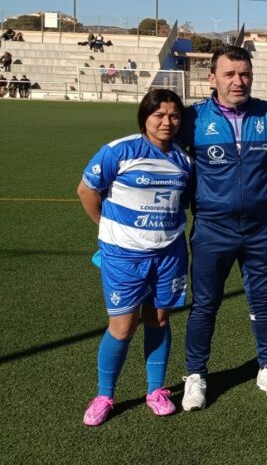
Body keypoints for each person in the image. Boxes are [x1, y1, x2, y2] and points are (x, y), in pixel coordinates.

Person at [179, 46, 267, 411]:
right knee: (205, 304)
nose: (238, 81)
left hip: (260, 228)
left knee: (263, 300)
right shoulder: (192, 119)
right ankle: (195, 374)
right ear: (212, 78)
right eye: (229, 74)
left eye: (245, 74)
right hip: (211, 228)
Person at [77, 90, 192, 426]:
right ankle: (104, 395)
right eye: (159, 115)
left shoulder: (184, 160)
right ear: (145, 117)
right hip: (124, 255)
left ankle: (156, 391)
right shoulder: (119, 151)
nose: (167, 122)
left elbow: (180, 202)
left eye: (173, 116)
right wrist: (106, 228)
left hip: (169, 252)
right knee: (123, 327)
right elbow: (86, 191)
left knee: (158, 320)